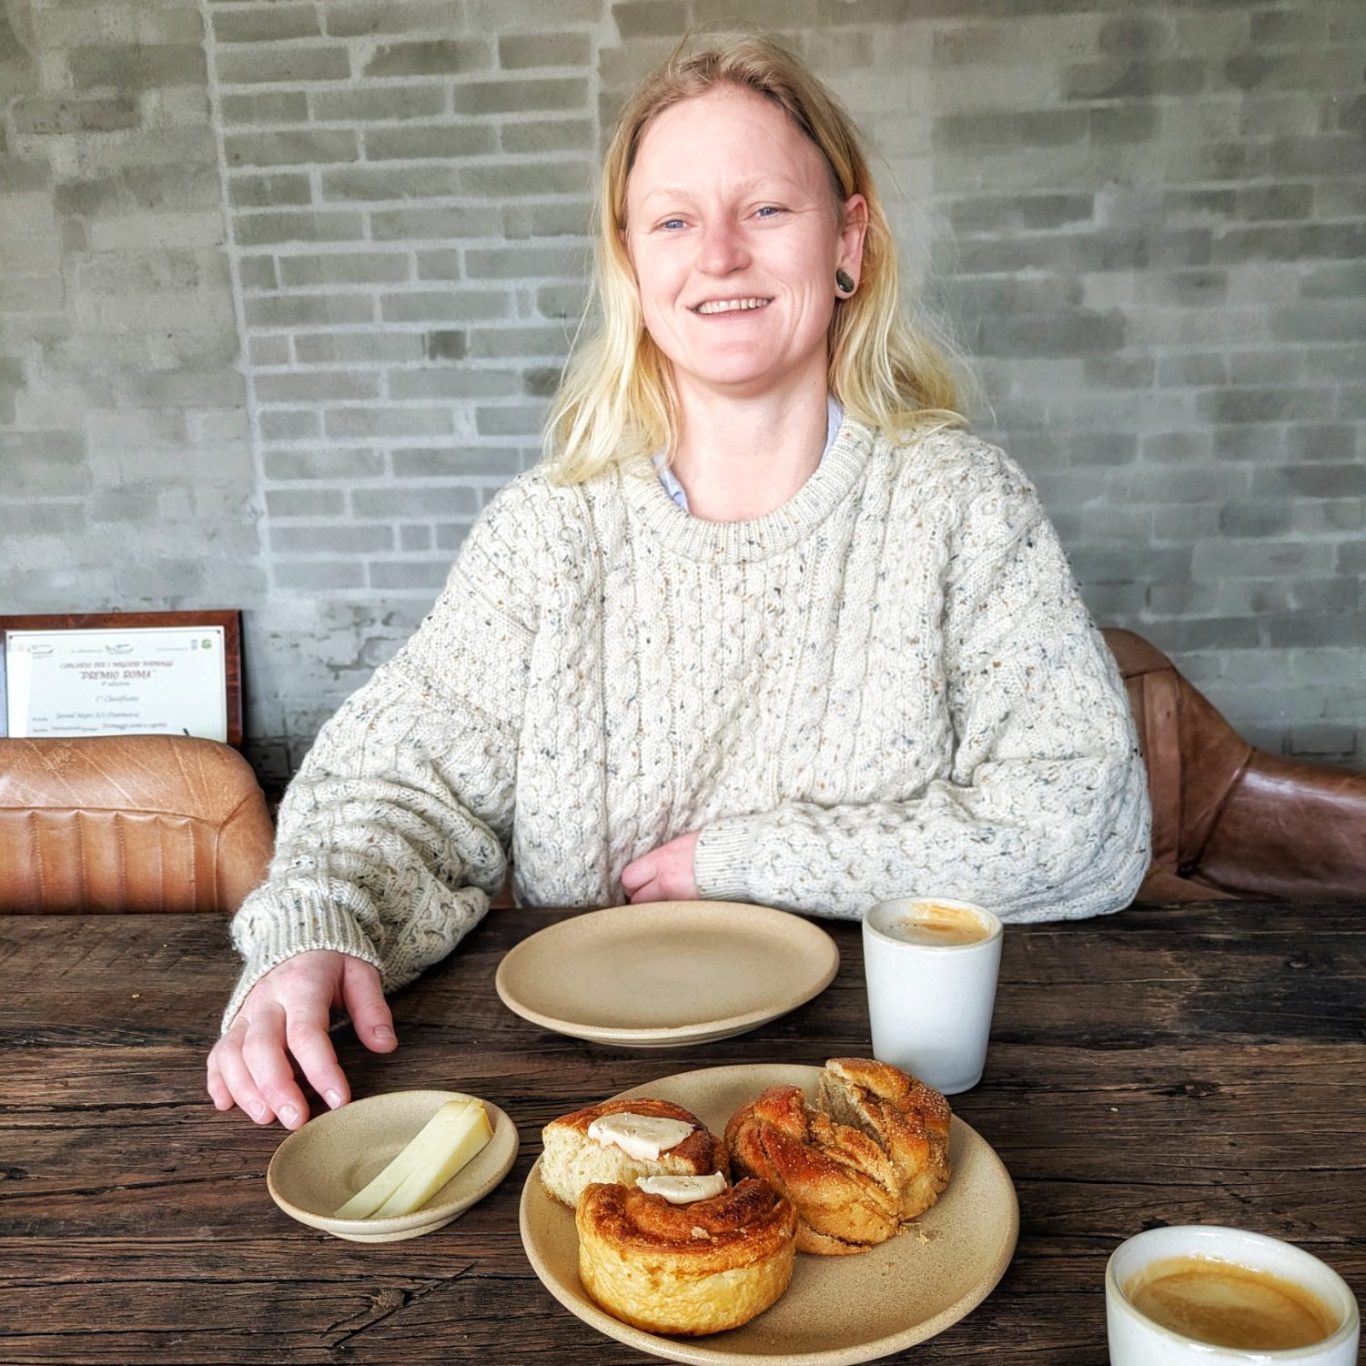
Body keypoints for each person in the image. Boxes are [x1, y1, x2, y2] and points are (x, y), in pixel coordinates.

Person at [207, 34, 1151, 1130]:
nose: (717, 256)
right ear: (633, 267)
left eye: (765, 211)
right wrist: (315, 926)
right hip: (590, 1098)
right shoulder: (547, 534)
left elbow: (1085, 821)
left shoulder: (960, 506)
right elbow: (397, 784)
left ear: (849, 239)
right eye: (673, 221)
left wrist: (742, 859)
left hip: (899, 1093)